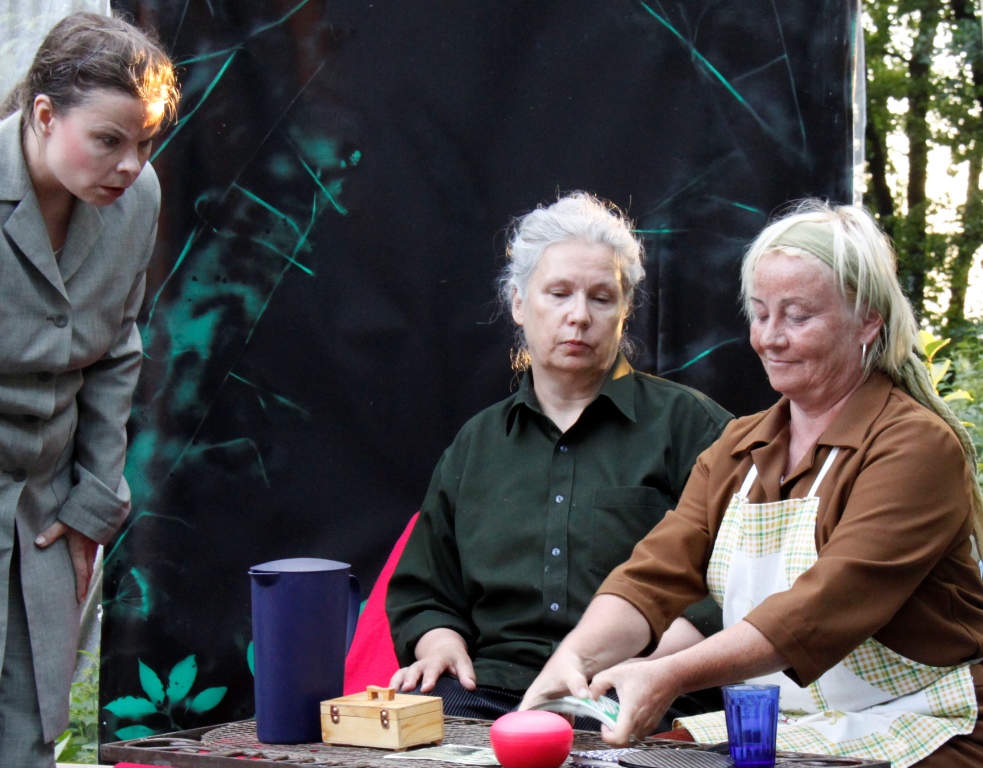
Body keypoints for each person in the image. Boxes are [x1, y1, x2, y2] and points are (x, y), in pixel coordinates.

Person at [520, 200, 983, 767]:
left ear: (868, 320)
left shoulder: (915, 447)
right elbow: (654, 574)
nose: (769, 338)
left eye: (797, 316)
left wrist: (668, 673)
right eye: (760, 314)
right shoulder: (739, 448)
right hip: (791, 727)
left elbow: (820, 608)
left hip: (926, 727)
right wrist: (574, 660)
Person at [386, 192, 733, 728]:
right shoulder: (477, 444)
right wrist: (439, 643)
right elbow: (425, 590)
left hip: (636, 689)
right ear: (518, 303)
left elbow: (742, 579)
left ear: (625, 310)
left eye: (601, 297)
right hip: (489, 692)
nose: (579, 316)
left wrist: (655, 666)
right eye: (559, 293)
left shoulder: (692, 427)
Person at [0, 12, 178, 767]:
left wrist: (95, 500)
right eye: (109, 140)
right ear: (44, 115)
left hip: (43, 509)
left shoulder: (136, 200)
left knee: (26, 733)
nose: (130, 164)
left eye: (146, 142)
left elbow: (116, 349)